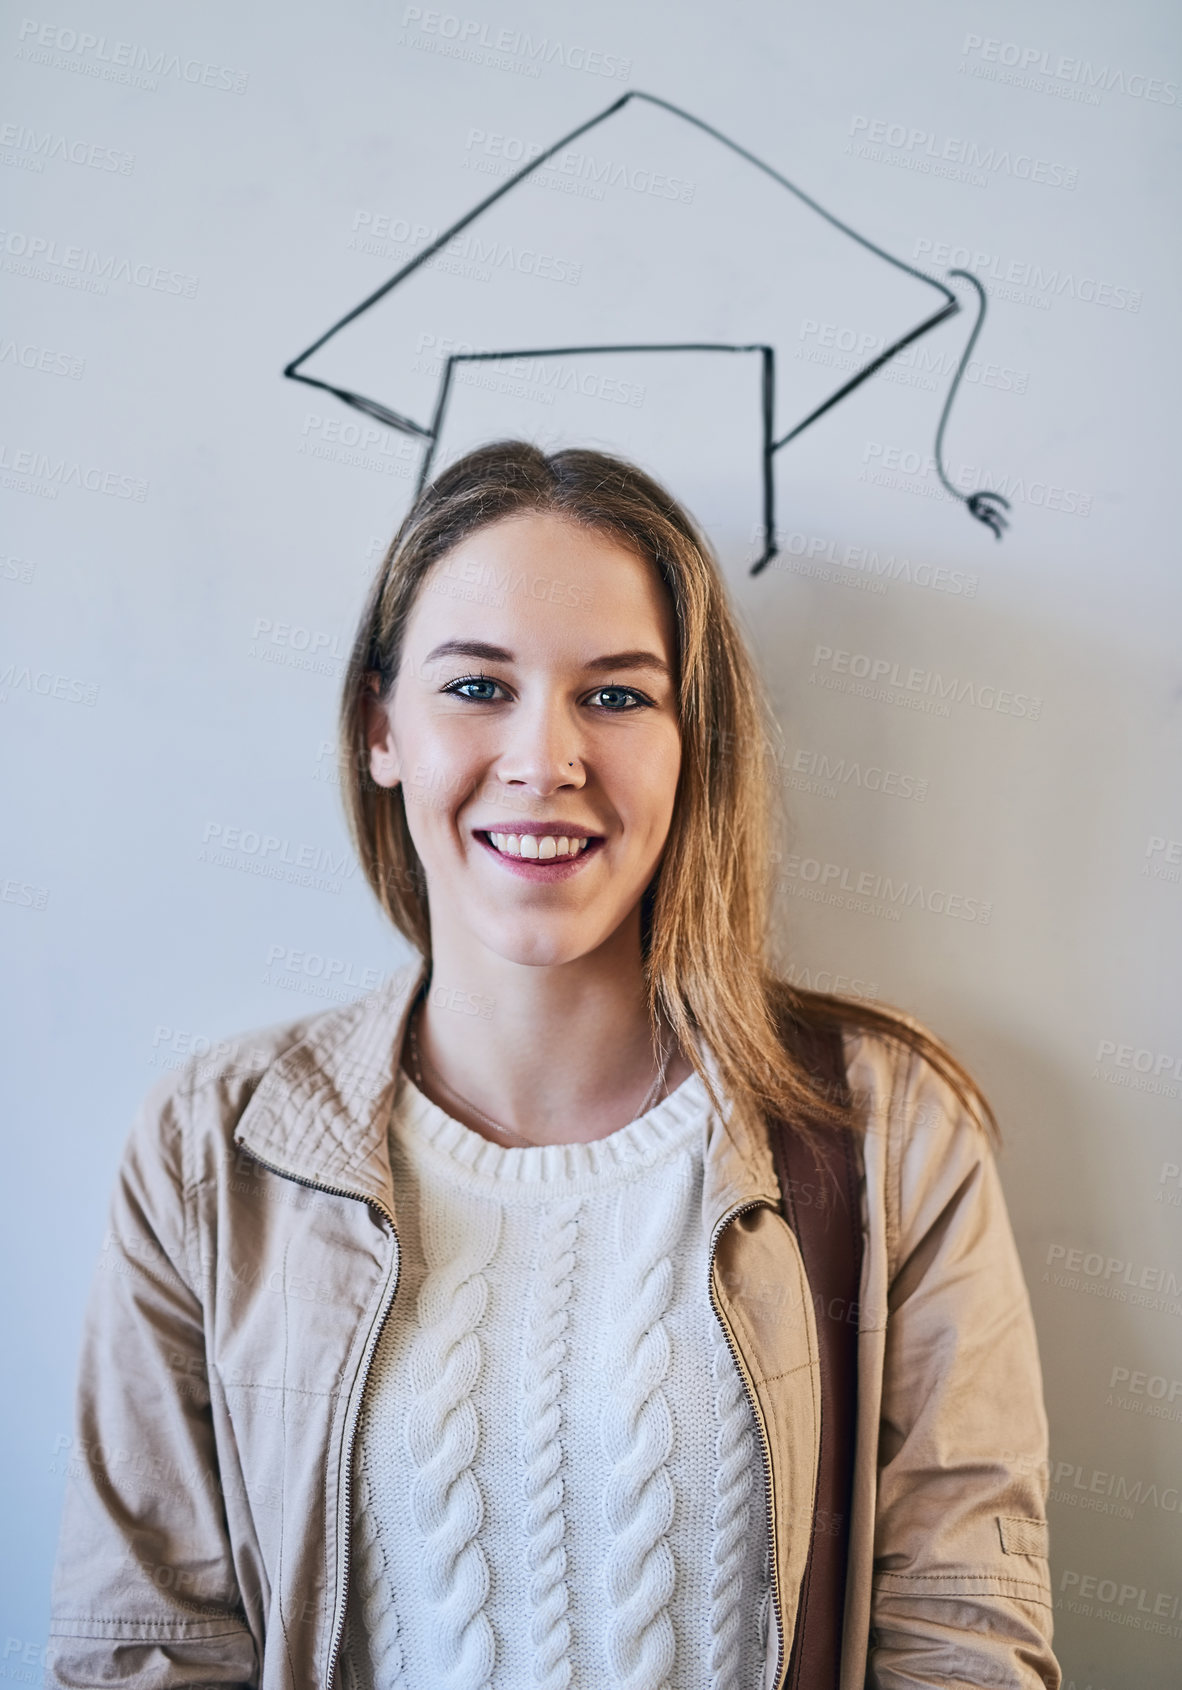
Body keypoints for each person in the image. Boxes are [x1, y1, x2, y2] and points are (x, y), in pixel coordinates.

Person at [46, 441, 1060, 1690]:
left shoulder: (891, 1126)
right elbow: (148, 1648)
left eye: (617, 695)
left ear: (697, 742)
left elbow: (966, 1628)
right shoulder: (211, 1147)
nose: (545, 758)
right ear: (381, 728)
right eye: (477, 686)